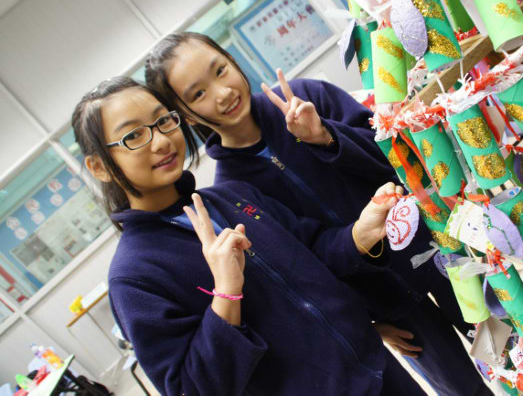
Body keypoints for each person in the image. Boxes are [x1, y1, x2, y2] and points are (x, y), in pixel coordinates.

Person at [145, 32, 491, 395]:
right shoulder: (233, 189)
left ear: (231, 60)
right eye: (198, 94)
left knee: (512, 344)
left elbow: (397, 157)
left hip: (441, 251)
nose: (222, 93)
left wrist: (326, 137)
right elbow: (303, 264)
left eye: (220, 70)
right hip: (390, 307)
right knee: (465, 390)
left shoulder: (308, 97)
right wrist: (366, 324)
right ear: (185, 114)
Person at [73, 76, 426, 395]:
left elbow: (314, 251)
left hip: (378, 372)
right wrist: (226, 292)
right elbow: (189, 387)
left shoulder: (231, 196)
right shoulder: (134, 278)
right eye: (134, 135)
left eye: (163, 121)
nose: (162, 141)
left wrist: (361, 232)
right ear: (99, 166)